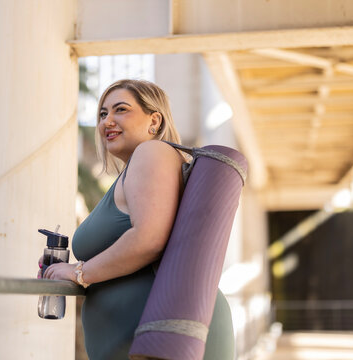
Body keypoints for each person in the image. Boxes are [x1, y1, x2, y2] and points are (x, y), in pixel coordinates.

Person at [40, 79, 235, 360]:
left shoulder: (151, 152)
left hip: (163, 339)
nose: (108, 121)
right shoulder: (134, 171)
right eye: (102, 114)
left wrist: (79, 273)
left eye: (121, 109)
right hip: (153, 336)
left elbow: (149, 239)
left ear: (154, 120)